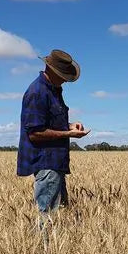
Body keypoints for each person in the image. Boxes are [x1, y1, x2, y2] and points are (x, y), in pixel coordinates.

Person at [17, 49, 90, 218]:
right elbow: (35, 133)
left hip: (56, 161)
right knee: (47, 214)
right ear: (51, 70)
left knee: (60, 211)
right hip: (46, 162)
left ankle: (55, 242)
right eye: (63, 75)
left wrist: (70, 125)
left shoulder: (53, 90)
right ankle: (43, 244)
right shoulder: (37, 92)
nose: (65, 80)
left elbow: (48, 122)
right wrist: (69, 135)